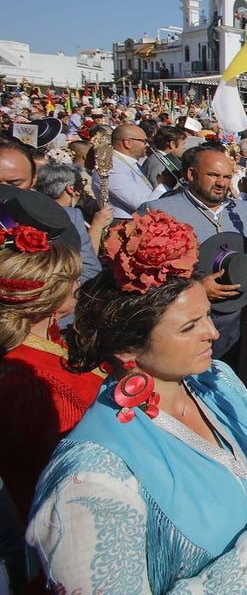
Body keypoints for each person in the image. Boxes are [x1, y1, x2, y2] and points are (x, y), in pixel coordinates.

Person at [25, 211, 247, 593]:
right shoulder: (92, 479)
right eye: (189, 327)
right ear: (126, 348)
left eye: (206, 316)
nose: (213, 333)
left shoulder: (218, 382)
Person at [0, 189, 98, 521]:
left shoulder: (44, 342)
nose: (78, 284)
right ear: (50, 300)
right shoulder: (29, 381)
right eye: (71, 279)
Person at [139, 145, 247, 359]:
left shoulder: (244, 210)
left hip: (234, 318)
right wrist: (194, 288)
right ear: (191, 174)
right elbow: (144, 274)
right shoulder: (159, 211)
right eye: (213, 175)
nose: (221, 183)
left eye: (226, 176)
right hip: (180, 322)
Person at [106, 122, 155, 220]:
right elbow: (144, 205)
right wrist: (165, 184)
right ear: (127, 142)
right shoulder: (113, 167)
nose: (147, 145)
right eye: (144, 141)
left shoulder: (128, 162)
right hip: (126, 225)